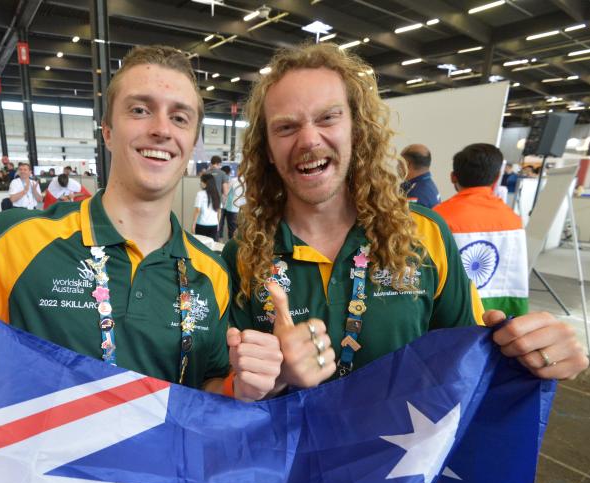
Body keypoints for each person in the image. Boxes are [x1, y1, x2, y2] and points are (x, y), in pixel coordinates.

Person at [0, 44, 285, 401]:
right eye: (139, 110)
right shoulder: (13, 242)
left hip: (159, 474)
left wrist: (243, 386)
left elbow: (209, 388)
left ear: (191, 140)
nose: (162, 129)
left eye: (179, 117)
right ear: (107, 132)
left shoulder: (211, 274)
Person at [223, 42, 586, 392]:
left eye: (328, 118)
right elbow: (231, 393)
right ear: (267, 150)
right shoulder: (243, 254)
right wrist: (277, 378)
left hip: (407, 453)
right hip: (292, 453)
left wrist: (533, 354)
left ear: (356, 130)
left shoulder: (423, 233)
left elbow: (471, 361)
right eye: (286, 127)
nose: (308, 140)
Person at [434, 144, 528, 317]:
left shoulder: (437, 218)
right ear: (497, 177)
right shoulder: (513, 220)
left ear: (453, 177)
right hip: (500, 319)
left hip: (453, 319)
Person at [401, 144, 441, 209]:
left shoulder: (416, 195)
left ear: (406, 163)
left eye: (400, 162)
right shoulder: (425, 184)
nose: (398, 166)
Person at [192, 172, 221, 239]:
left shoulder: (200, 194)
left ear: (205, 183)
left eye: (201, 181)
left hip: (202, 224)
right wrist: (218, 224)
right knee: (212, 246)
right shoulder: (217, 194)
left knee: (200, 246)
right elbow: (219, 211)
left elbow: (197, 210)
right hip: (214, 224)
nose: (200, 183)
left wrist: (193, 224)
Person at [220, 165, 244, 240]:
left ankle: (231, 246)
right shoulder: (249, 180)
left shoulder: (234, 180)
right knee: (241, 229)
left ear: (239, 170)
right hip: (243, 209)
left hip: (232, 208)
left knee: (232, 230)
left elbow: (226, 192)